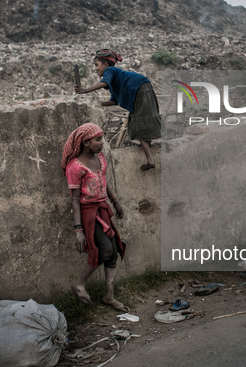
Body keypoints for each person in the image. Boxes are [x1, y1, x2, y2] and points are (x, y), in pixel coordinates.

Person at [61, 123, 129, 312]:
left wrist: (114, 201)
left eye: (102, 139)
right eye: (98, 139)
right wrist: (78, 230)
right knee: (104, 250)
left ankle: (109, 296)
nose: (102, 143)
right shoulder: (74, 168)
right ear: (85, 142)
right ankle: (79, 284)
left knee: (113, 249)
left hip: (102, 208)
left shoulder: (100, 158)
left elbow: (103, 180)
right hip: (89, 213)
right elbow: (74, 200)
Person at [75, 49, 164, 171]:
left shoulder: (110, 70)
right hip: (142, 88)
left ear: (105, 64)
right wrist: (96, 104)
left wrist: (85, 90)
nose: (95, 69)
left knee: (140, 122)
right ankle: (150, 156)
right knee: (138, 122)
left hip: (140, 89)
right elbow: (114, 101)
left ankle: (151, 159)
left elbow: (103, 82)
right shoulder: (114, 82)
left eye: (96, 65)